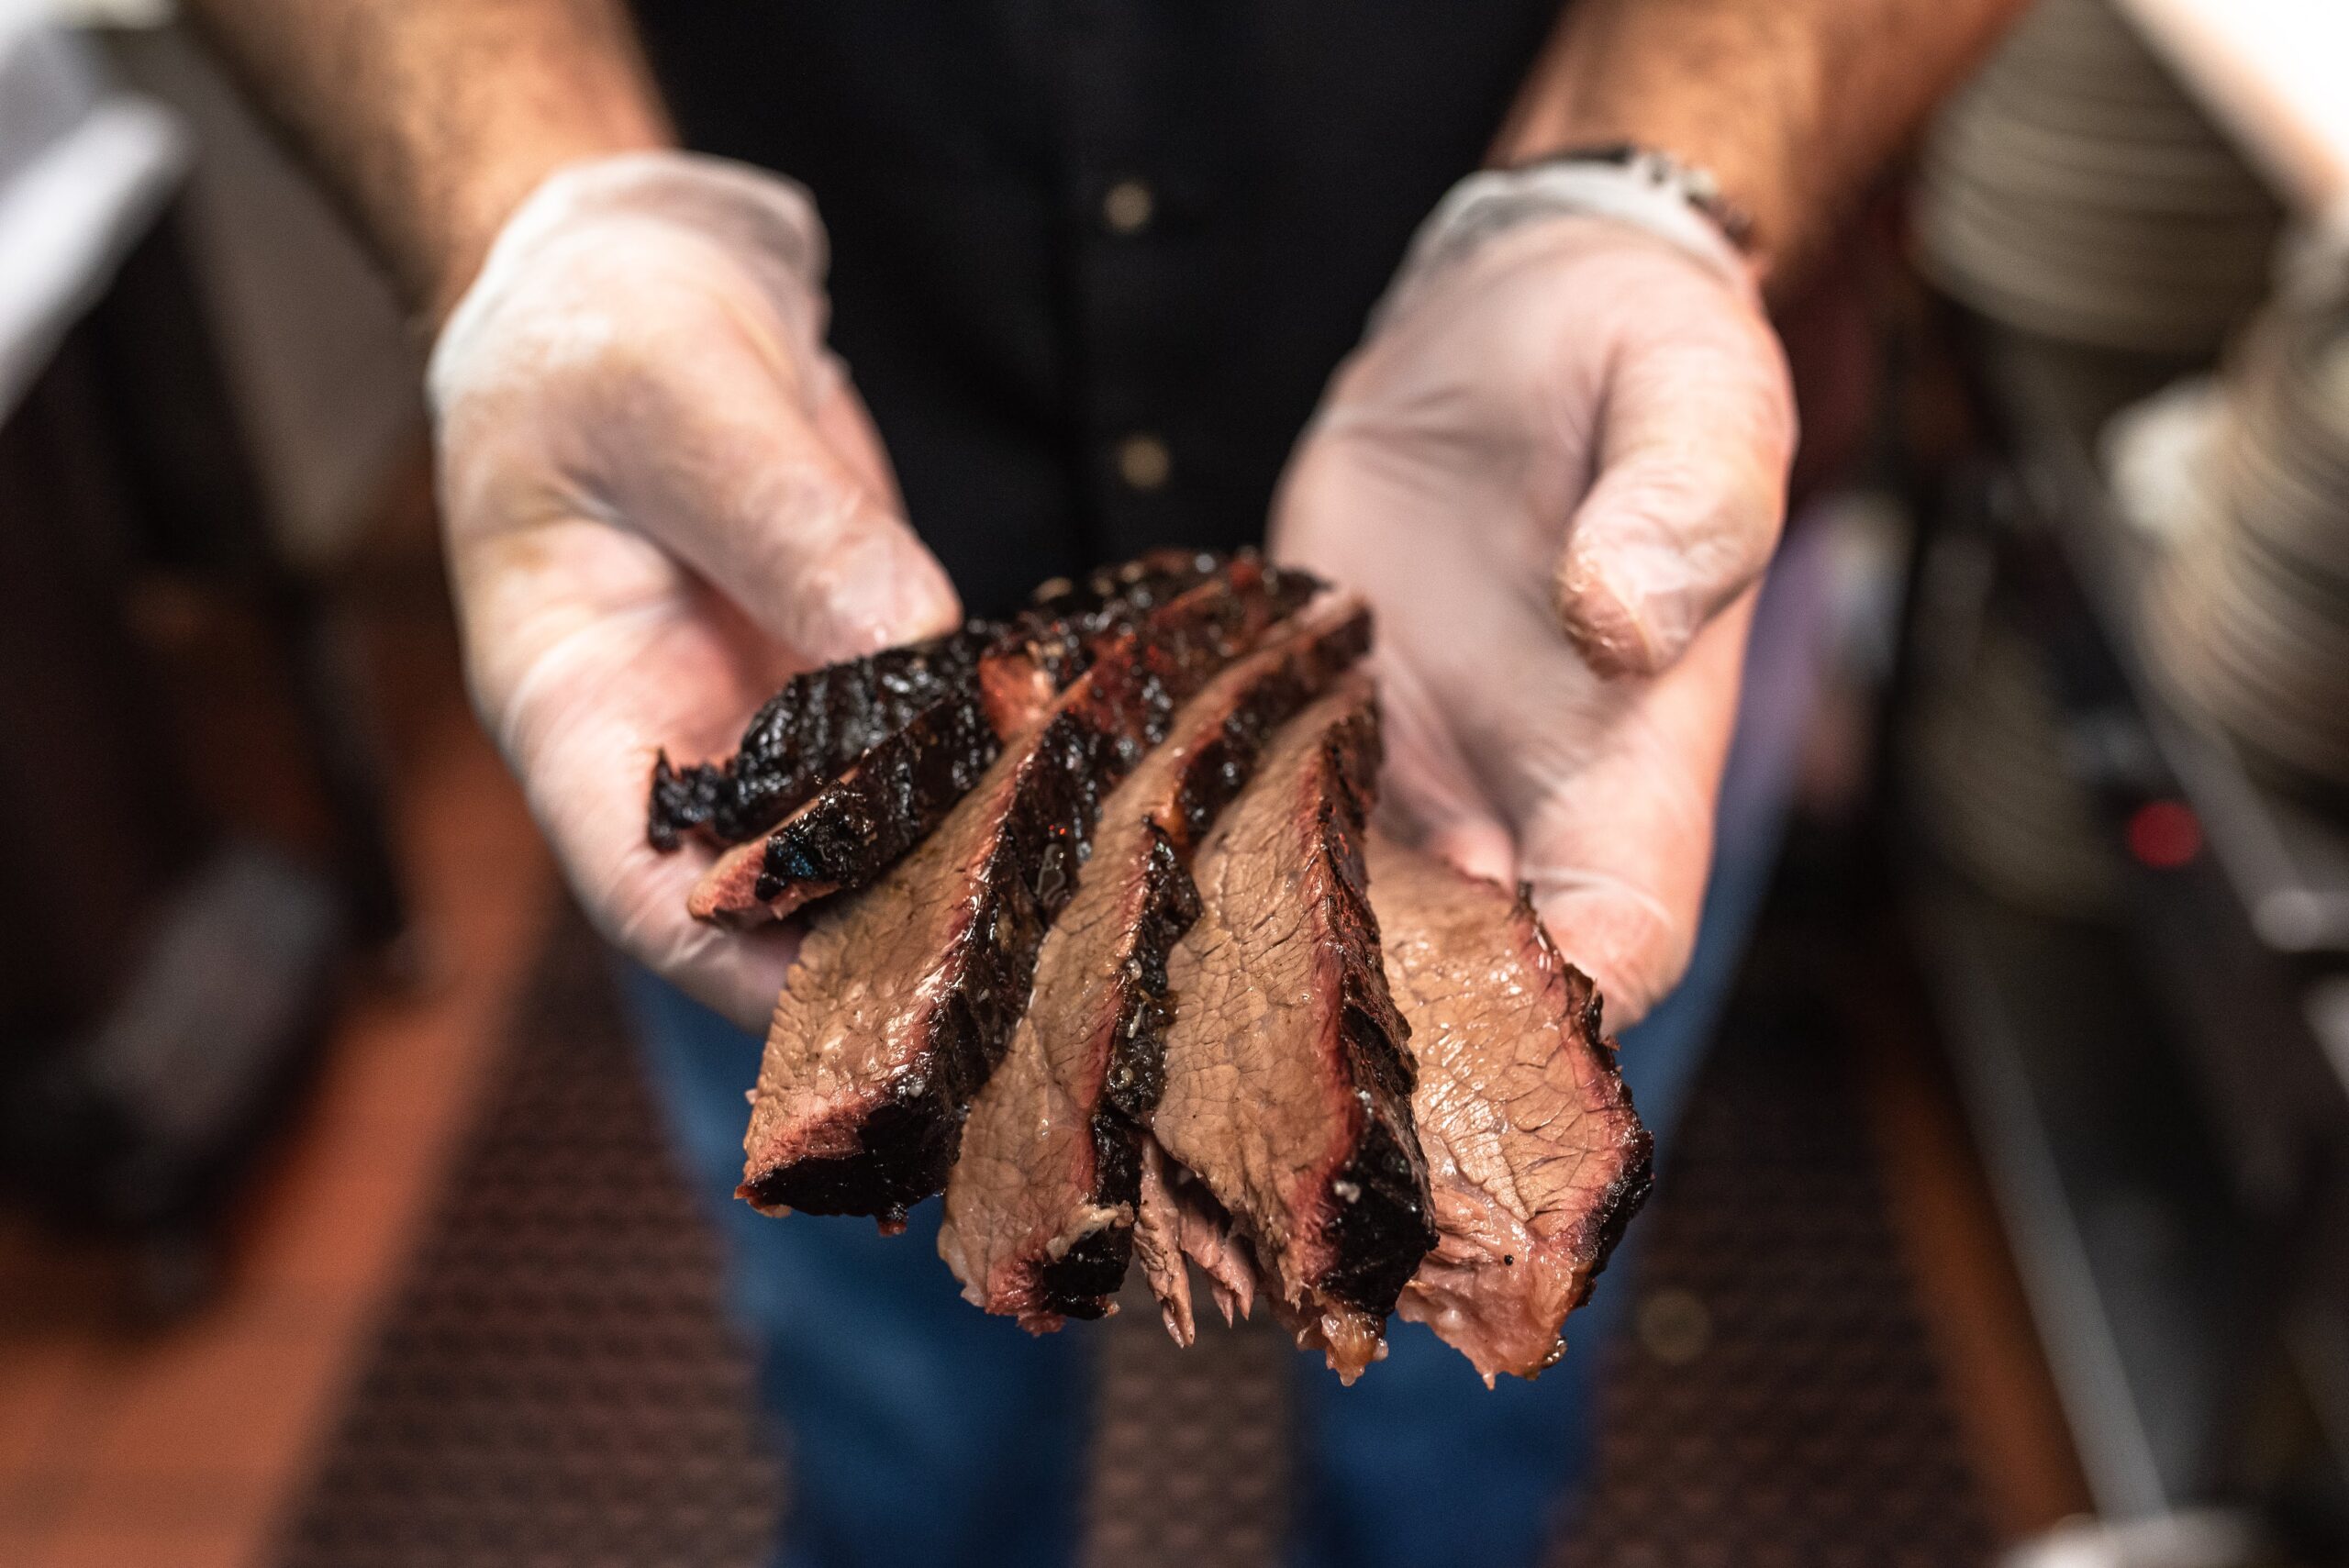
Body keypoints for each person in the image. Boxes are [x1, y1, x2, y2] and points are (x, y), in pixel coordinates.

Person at [184, 3, 2027, 1564]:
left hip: (1522, 586)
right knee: (901, 1408)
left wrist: (1634, 192)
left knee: (1462, 1381)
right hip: (774, 585)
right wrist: (542, 220)